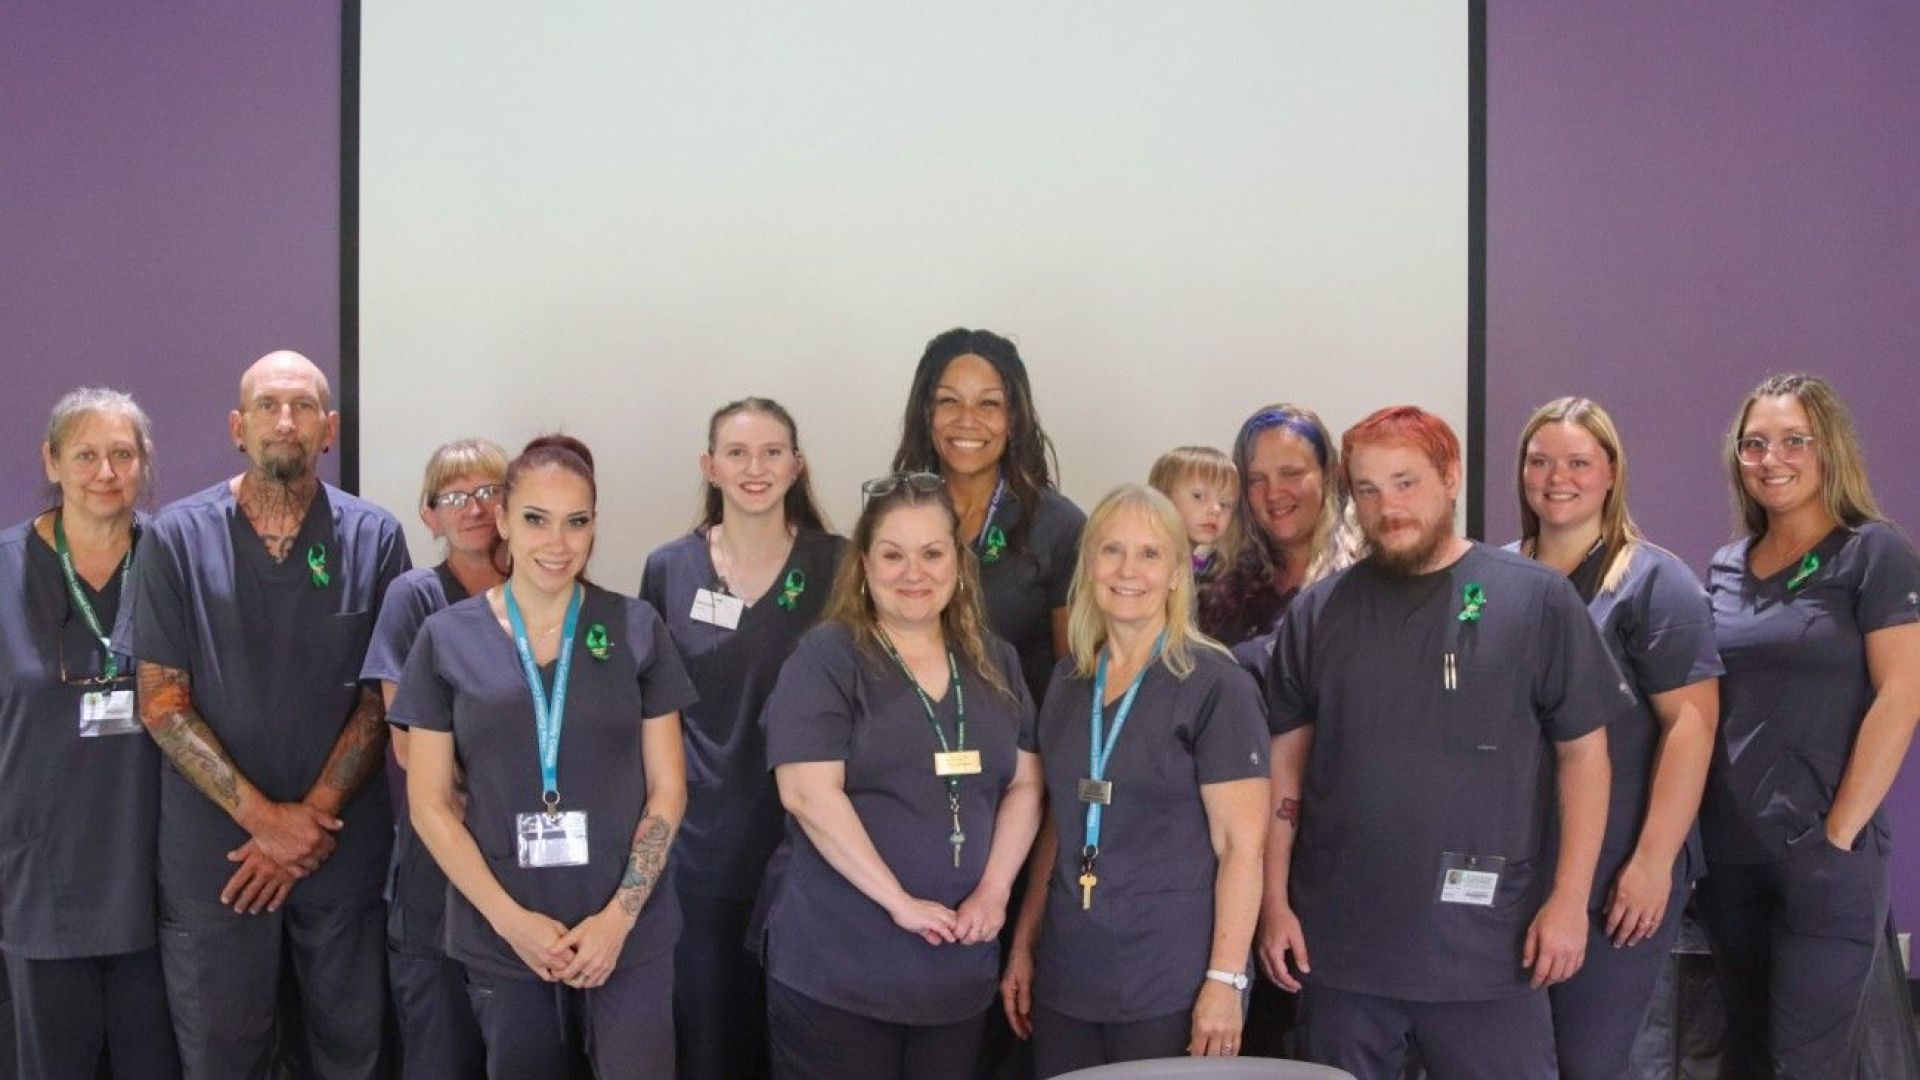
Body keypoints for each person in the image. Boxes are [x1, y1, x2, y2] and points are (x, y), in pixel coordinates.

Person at [1260, 406, 1630, 1080]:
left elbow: (1586, 757)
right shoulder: (1319, 613)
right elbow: (1286, 764)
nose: (1387, 508)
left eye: (1405, 483)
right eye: (1367, 490)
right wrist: (1274, 900)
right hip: (1343, 952)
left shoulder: (1537, 601)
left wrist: (1571, 901)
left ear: (1452, 477)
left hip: (1490, 952)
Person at [124, 350, 408, 1078]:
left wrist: (308, 819)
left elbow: (383, 697)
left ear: (330, 428)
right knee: (225, 1052)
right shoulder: (175, 539)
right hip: (219, 853)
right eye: (268, 406)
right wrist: (266, 822)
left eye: (305, 406)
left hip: (338, 842)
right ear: (236, 427)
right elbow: (161, 703)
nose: (287, 420)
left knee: (352, 1049)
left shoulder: (374, 537)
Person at [393, 434, 695, 1078]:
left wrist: (620, 918)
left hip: (627, 930)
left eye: (576, 522)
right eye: (536, 520)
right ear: (502, 519)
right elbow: (429, 803)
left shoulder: (637, 628)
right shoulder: (445, 640)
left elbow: (669, 788)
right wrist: (511, 923)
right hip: (504, 930)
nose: (557, 544)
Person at [760, 472, 1044, 1080]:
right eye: (893, 554)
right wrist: (900, 903)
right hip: (840, 973)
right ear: (864, 563)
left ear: (958, 563)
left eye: (932, 553)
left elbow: (1026, 781)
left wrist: (994, 890)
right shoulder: (828, 658)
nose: (913, 572)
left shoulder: (996, 661)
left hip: (955, 980)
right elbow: (806, 793)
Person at [1694, 373, 1920, 1078]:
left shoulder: (1873, 552)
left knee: (1807, 1065)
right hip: (1729, 857)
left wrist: (1838, 835)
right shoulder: (1725, 566)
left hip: (1824, 857)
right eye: (1754, 444)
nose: (1772, 458)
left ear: (1830, 451)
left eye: (1794, 441)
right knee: (1749, 1058)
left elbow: (1902, 695)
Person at [1000, 485, 1269, 1077]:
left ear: (1176, 572)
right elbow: (1060, 824)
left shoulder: (1216, 685)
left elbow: (1242, 847)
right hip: (1069, 973)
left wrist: (1226, 980)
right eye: (1111, 550)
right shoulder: (1070, 680)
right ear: (1088, 563)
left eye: (1150, 555)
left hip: (1170, 979)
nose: (1128, 571)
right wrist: (1024, 942)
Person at [1511, 398, 1721, 1080]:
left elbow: (1692, 725)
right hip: (1518, 865)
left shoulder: (1657, 583)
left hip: (1617, 870)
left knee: (1588, 1061)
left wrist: (1654, 862)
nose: (1556, 477)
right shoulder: (1497, 577)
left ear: (1610, 474)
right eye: (1539, 461)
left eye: (1577, 462)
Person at [638, 398, 846, 1080]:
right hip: (699, 853)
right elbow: (652, 712)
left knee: (800, 1047)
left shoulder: (839, 567)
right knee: (709, 1044)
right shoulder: (669, 569)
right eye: (737, 453)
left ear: (797, 465)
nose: (755, 468)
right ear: (710, 466)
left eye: (772, 452)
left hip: (811, 850)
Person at [0, 389, 180, 1079]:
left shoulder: (175, 560)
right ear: (51, 462)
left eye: (123, 454)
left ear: (144, 464)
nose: (105, 471)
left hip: (157, 879)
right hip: (41, 880)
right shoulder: (10, 566)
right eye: (85, 455)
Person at [360, 437, 509, 1080]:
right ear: (429, 516)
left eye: (489, 492)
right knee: (440, 1051)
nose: (474, 508)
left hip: (530, 857)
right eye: (454, 497)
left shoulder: (551, 591)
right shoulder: (415, 599)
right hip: (438, 866)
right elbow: (406, 742)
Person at [891, 327, 1084, 706]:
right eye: (949, 401)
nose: (967, 420)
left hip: (1018, 755)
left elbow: (1074, 682)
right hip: (909, 747)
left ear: (1013, 419)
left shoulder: (1059, 527)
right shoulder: (895, 517)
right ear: (927, 413)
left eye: (988, 404)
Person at [1199, 404, 1359, 653]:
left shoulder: (1364, 579)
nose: (1273, 493)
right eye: (1256, 480)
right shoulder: (1214, 581)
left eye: (1291, 473)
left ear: (1327, 475)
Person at [1146, 446, 1238, 590]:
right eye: (1198, 496)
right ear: (1163, 497)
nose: (1216, 510)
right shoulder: (1148, 566)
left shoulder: (1204, 571)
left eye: (1225, 504)